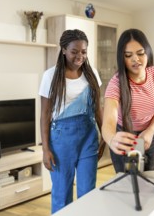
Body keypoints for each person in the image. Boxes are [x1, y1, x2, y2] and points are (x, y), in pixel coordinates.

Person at [38, 29, 103, 214]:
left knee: (87, 192)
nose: (80, 56)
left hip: (89, 136)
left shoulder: (92, 74)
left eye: (83, 51)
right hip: (60, 140)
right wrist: (45, 149)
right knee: (62, 193)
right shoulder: (50, 76)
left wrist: (105, 138)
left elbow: (98, 109)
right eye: (74, 51)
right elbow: (45, 114)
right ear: (64, 50)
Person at [102, 28, 154, 173]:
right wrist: (112, 139)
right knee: (128, 183)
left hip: (149, 132)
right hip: (125, 135)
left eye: (140, 53)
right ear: (122, 58)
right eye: (128, 55)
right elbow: (109, 122)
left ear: (147, 52)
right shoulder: (116, 83)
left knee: (151, 178)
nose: (135, 59)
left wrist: (150, 131)